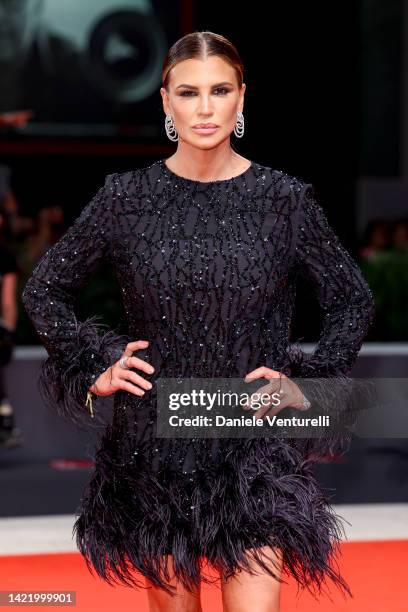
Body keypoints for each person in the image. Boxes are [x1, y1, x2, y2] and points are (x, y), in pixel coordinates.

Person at [21, 31, 375, 612]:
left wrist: (310, 384)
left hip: (254, 443)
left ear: (241, 98)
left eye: (219, 91)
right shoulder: (126, 198)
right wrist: (93, 363)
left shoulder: (284, 200)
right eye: (189, 92)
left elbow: (351, 299)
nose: (205, 108)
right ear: (165, 101)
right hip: (156, 442)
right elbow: (46, 289)